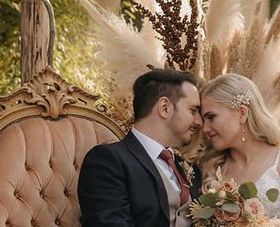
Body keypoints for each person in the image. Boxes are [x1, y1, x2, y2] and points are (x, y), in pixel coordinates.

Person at [79, 69, 203, 227]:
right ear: (165, 108)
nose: (199, 122)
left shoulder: (191, 170)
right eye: (193, 111)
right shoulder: (107, 161)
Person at [200, 73, 280, 227]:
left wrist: (250, 224)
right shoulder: (211, 168)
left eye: (211, 117)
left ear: (242, 113)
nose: (205, 128)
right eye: (203, 120)